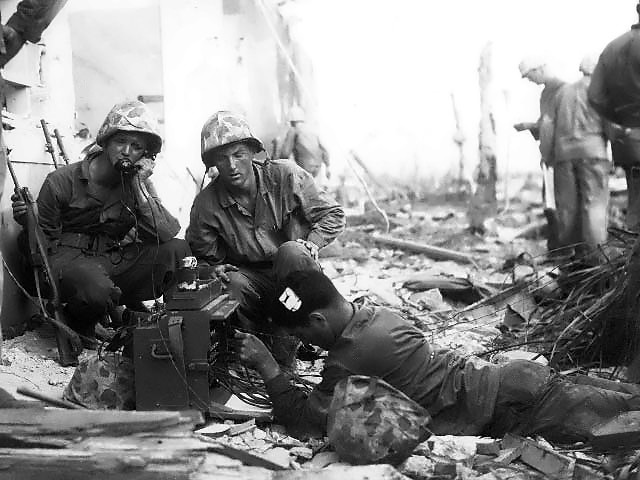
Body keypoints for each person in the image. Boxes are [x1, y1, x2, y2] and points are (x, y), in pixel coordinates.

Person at [234, 269, 640, 443]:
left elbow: (308, 424)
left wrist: (269, 367)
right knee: (627, 396)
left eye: (303, 333)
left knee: (627, 419)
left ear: (319, 320)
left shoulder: (348, 360)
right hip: (514, 380)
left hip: (515, 406)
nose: (308, 344)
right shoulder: (376, 314)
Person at [11, 100, 190, 346]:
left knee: (178, 251)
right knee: (95, 287)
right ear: (105, 142)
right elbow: (40, 249)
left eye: (136, 146)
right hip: (66, 261)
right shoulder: (61, 181)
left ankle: (173, 331)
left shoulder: (137, 183)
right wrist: (28, 221)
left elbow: (164, 233)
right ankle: (77, 320)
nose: (127, 151)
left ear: (145, 155)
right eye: (120, 142)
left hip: (111, 259)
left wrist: (139, 185)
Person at [186, 111, 345, 365]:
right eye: (222, 158)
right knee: (231, 282)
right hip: (252, 282)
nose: (232, 165)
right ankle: (251, 351)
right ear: (213, 163)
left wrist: (312, 243)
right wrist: (212, 269)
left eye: (238, 155)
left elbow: (333, 214)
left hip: (295, 275)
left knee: (291, 252)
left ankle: (293, 344)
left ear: (252, 152)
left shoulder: (286, 176)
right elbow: (201, 257)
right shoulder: (206, 204)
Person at [548, 55, 610, 262]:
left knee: (567, 207)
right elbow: (611, 124)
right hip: (593, 153)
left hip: (564, 155)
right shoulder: (602, 91)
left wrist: (549, 154)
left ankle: (571, 257)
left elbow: (549, 125)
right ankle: (596, 258)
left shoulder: (562, 92)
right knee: (594, 205)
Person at [589, 3, 640, 230]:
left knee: (636, 205)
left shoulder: (612, 48)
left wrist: (621, 121)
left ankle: (633, 262)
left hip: (627, 142)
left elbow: (595, 96)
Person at [514, 56, 565, 252]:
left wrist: (534, 127)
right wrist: (533, 127)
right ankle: (556, 248)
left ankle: (561, 250)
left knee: (557, 204)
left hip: (558, 156)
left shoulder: (561, 90)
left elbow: (556, 124)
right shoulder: (547, 93)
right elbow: (546, 124)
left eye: (530, 76)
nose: (530, 81)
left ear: (540, 69)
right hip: (549, 155)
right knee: (549, 203)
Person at [277, 106, 330, 180]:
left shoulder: (293, 130)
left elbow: (285, 153)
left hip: (304, 167)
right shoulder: (313, 130)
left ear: (291, 121)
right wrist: (327, 167)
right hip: (317, 167)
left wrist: (277, 162)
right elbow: (324, 149)